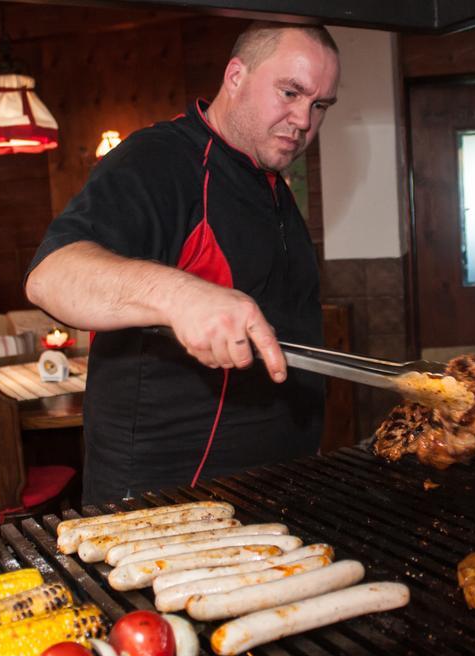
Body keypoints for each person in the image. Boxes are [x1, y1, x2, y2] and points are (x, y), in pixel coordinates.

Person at [25, 23, 341, 503]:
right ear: (235, 76)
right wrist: (181, 296)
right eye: (290, 92)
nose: (303, 119)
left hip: (270, 491)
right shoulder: (159, 160)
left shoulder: (269, 180)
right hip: (167, 505)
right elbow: (51, 276)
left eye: (319, 105)